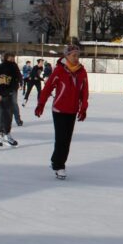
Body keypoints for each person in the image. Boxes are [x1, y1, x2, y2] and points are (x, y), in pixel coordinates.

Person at [36, 45, 89, 180]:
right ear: (66, 56)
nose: (76, 58)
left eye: (78, 55)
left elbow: (84, 92)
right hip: (59, 109)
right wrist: (41, 103)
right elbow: (48, 88)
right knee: (61, 138)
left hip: (72, 110)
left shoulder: (82, 72)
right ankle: (60, 166)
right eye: (73, 55)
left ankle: (56, 160)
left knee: (67, 140)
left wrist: (83, 108)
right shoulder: (59, 71)